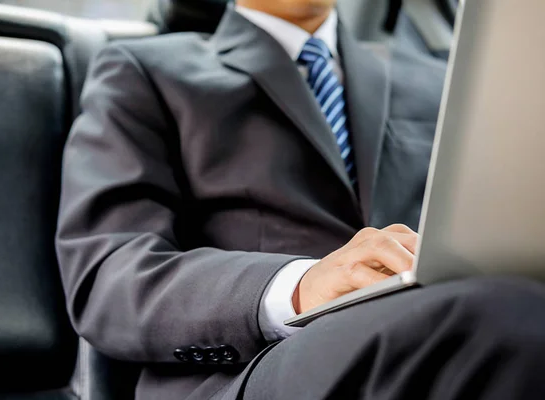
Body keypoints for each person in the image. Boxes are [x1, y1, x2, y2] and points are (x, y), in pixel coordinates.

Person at [55, 0, 545, 399]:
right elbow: (109, 275)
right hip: (252, 370)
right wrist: (300, 287)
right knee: (507, 315)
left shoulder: (435, 79)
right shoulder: (145, 70)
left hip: (434, 324)